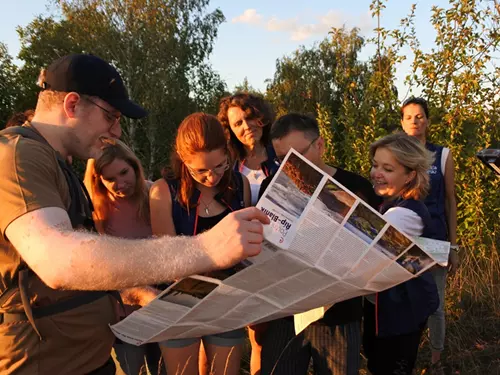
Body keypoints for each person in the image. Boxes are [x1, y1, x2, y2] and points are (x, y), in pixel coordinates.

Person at [0, 54, 269, 374]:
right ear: (72, 105)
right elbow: (58, 260)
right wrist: (209, 247)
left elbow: (75, 266)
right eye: (111, 116)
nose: (116, 131)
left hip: (83, 359)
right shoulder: (17, 154)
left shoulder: (57, 161)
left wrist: (133, 291)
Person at [258, 113, 381, 375]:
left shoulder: (355, 188)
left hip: (339, 314)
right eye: (281, 158)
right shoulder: (272, 186)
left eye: (296, 155)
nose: (289, 165)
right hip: (286, 312)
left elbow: (373, 251)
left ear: (320, 145)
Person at [149, 112, 251, 375]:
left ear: (227, 153)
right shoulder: (163, 192)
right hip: (179, 300)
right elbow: (168, 263)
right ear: (183, 161)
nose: (212, 177)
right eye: (201, 171)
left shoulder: (240, 185)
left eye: (220, 166)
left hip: (227, 298)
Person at [84, 138, 164, 375]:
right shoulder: (97, 210)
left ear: (135, 167)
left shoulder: (154, 195)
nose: (120, 183)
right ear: (99, 180)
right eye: (110, 179)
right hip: (124, 311)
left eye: (124, 172)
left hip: (161, 303)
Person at [363, 132, 439, 375]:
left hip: (401, 312)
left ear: (410, 176)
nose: (377, 173)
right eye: (375, 165)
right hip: (393, 308)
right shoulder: (390, 204)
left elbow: (367, 253)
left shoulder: (402, 215)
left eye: (388, 168)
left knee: (389, 366)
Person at [218, 93, 279, 374]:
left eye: (250, 117)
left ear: (262, 117)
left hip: (275, 257)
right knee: (224, 335)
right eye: (237, 123)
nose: (246, 126)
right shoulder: (227, 164)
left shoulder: (281, 156)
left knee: (261, 338)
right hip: (236, 256)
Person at [401, 97, 459, 373]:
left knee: (435, 304)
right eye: (409, 116)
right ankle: (405, 358)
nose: (415, 120)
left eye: (420, 116)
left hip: (436, 239)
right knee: (404, 302)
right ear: (402, 123)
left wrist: (454, 245)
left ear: (427, 121)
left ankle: (436, 361)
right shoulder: (395, 155)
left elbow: (450, 200)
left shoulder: (443, 155)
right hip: (403, 241)